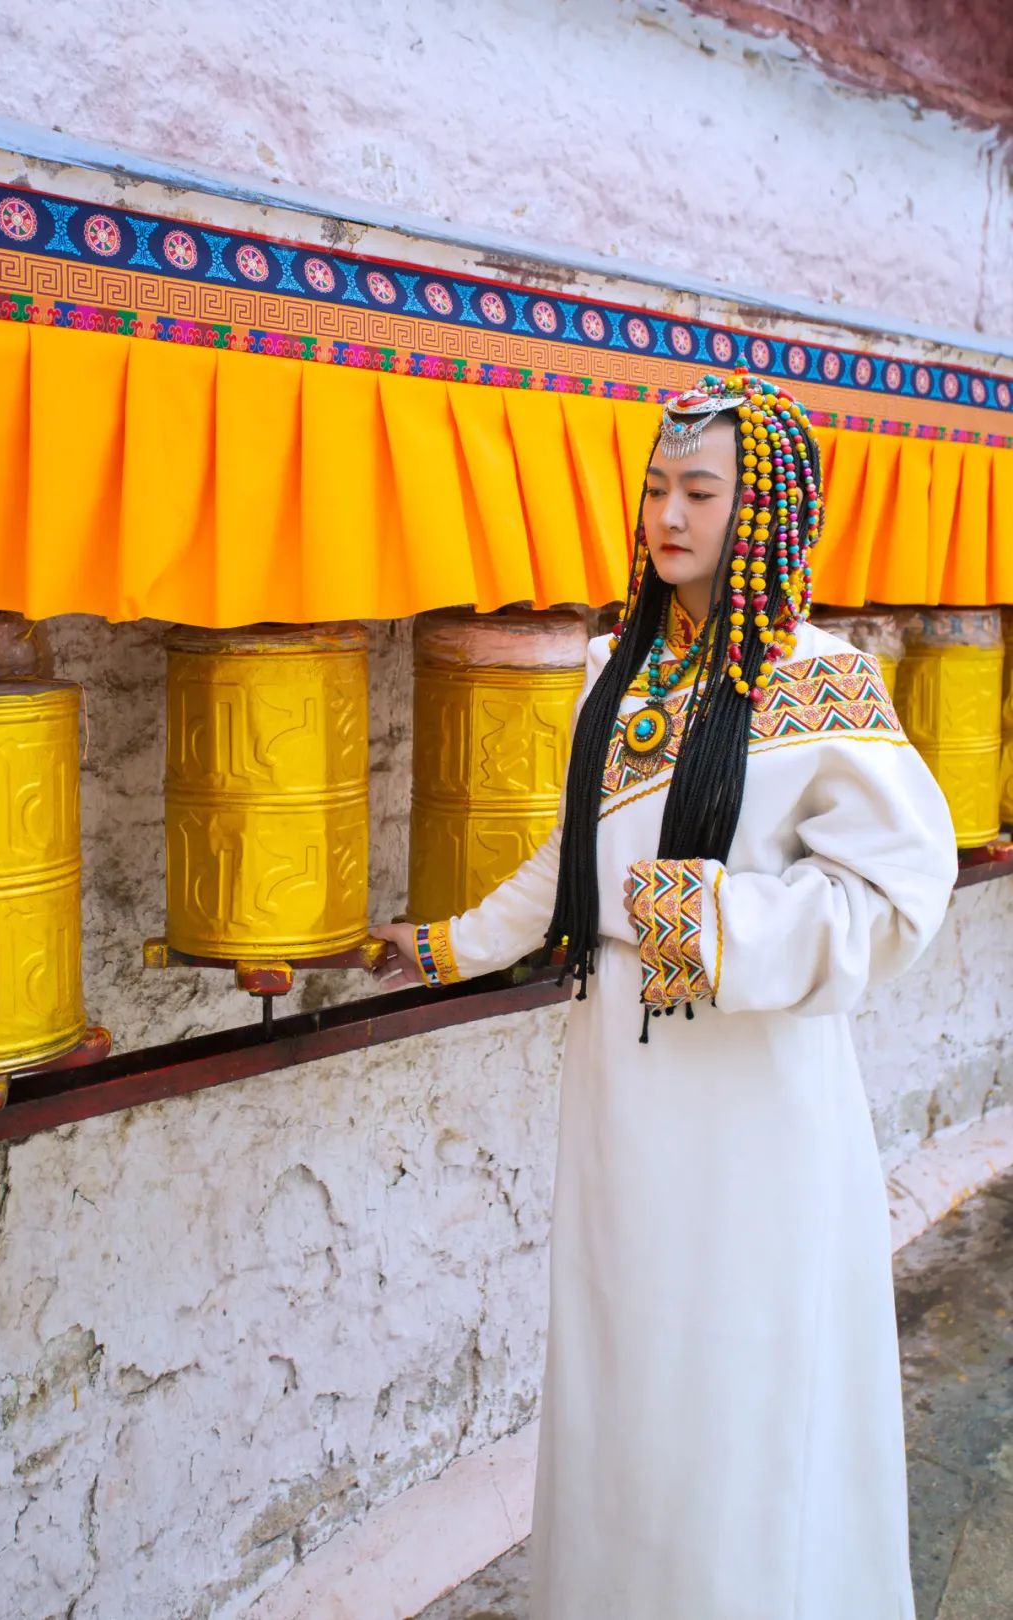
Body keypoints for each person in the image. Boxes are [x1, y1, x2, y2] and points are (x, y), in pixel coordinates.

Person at [373, 369, 957, 1620]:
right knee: (625, 1377)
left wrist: (696, 921)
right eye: (656, 487)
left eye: (702, 490)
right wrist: (439, 946)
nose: (669, 514)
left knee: (739, 1389)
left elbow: (903, 892)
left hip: (754, 1111)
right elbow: (575, 858)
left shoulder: (818, 681)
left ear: (762, 517)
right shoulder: (616, 673)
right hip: (625, 1095)